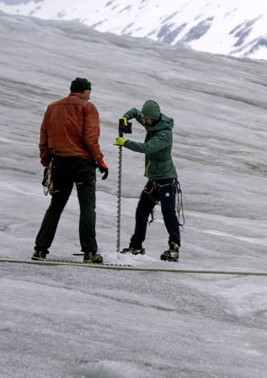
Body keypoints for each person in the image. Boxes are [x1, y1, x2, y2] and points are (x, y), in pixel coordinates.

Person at [34, 77, 108, 263]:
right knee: (87, 208)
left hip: (60, 163)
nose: (90, 95)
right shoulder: (87, 107)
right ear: (84, 91)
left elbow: (44, 136)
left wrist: (46, 162)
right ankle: (90, 252)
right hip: (83, 165)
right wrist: (100, 161)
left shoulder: (53, 107)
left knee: (56, 207)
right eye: (89, 91)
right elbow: (90, 139)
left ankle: (40, 250)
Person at [115, 100, 181, 261]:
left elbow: (147, 147)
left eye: (146, 119)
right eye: (143, 119)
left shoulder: (164, 134)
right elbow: (135, 111)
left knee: (169, 214)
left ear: (154, 118)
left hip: (166, 180)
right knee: (142, 211)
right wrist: (125, 118)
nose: (143, 121)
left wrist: (126, 143)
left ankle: (174, 248)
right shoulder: (151, 123)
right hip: (153, 180)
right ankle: (136, 246)